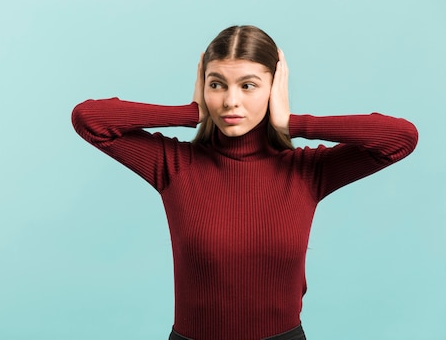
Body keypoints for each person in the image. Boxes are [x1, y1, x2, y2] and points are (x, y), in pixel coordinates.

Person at [71, 25, 418, 340]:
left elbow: (399, 138)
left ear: (274, 88)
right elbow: (90, 119)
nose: (230, 101)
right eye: (217, 84)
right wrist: (190, 112)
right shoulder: (175, 165)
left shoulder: (307, 171)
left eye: (248, 85)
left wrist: (291, 121)